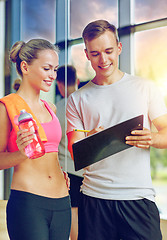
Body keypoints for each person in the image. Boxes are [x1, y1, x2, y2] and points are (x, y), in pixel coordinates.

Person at [66, 20, 167, 240]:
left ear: (119, 48)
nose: (103, 60)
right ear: (86, 54)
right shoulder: (77, 99)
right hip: (94, 199)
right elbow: (74, 150)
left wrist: (152, 138)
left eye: (108, 51)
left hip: (138, 197)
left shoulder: (145, 87)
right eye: (95, 54)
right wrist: (91, 138)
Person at [0, 39, 71, 240]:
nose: (53, 76)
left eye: (55, 69)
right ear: (25, 67)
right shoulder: (6, 107)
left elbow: (51, 154)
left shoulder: (51, 109)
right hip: (29, 203)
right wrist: (21, 154)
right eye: (47, 68)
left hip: (62, 201)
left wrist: (58, 172)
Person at [56, 65, 83, 240]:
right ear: (78, 81)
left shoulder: (58, 108)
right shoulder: (87, 103)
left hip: (68, 172)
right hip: (88, 171)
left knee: (73, 216)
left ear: (58, 84)